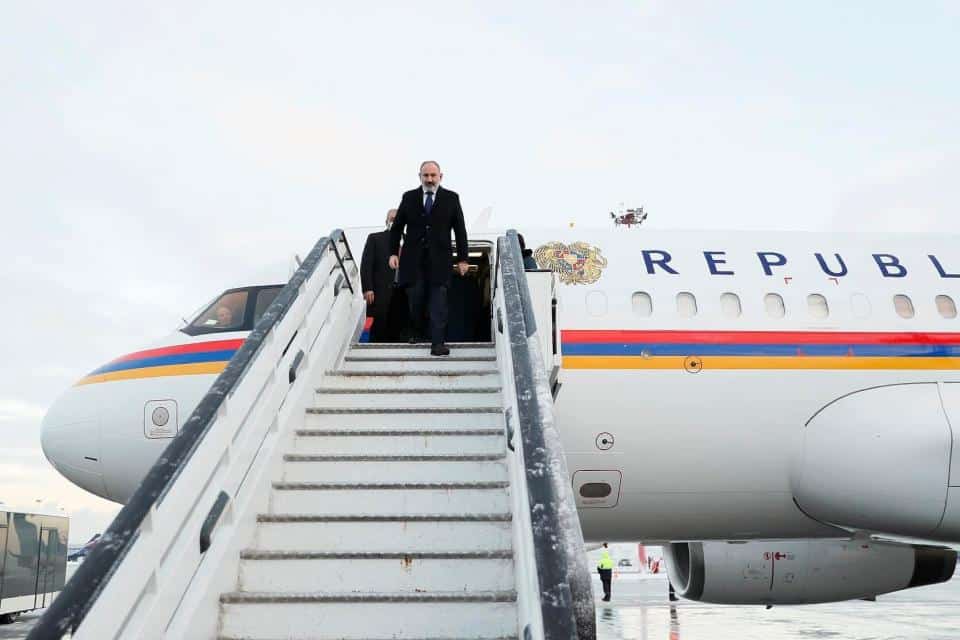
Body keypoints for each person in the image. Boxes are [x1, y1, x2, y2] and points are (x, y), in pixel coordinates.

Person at [389, 161, 468, 356]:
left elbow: (460, 230)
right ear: (420, 176)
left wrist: (463, 258)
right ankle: (417, 330)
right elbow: (397, 227)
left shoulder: (451, 198)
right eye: (426, 176)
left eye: (433, 175)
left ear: (441, 176)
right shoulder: (408, 197)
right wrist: (392, 253)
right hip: (413, 261)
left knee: (438, 302)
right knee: (415, 299)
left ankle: (437, 343)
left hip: (440, 261)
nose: (430, 179)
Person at [361, 209, 401, 342]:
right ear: (387, 222)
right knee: (378, 328)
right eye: (392, 218)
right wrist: (368, 288)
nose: (395, 221)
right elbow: (366, 264)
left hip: (404, 292)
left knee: (398, 327)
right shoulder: (375, 239)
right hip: (379, 292)